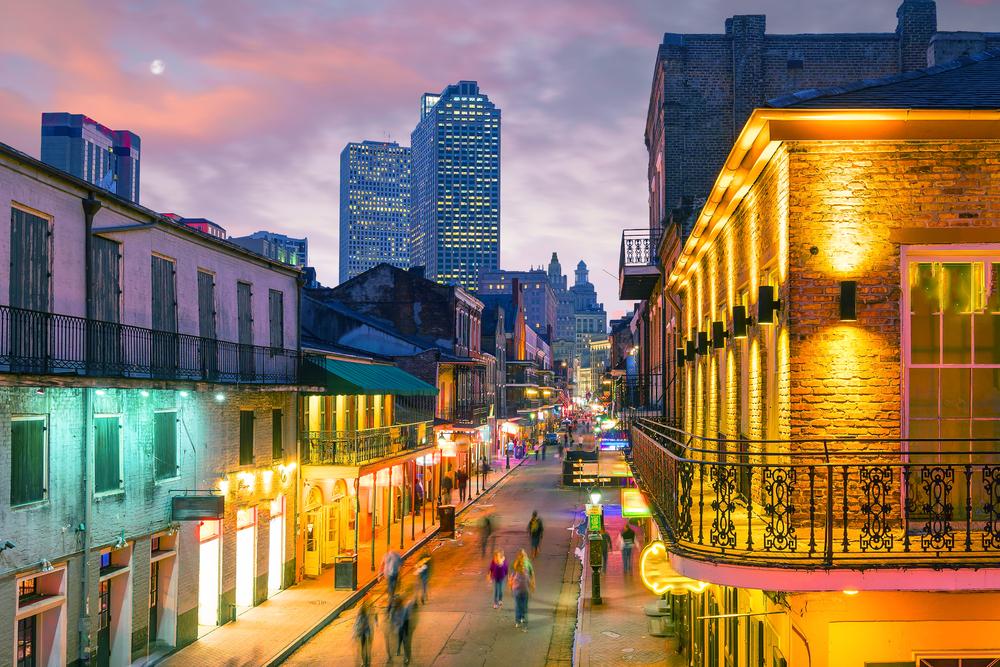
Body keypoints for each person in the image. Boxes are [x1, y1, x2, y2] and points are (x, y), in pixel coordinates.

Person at [509, 550, 535, 629]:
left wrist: (510, 587)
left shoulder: (516, 566)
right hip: (524, 591)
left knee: (518, 605)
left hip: (517, 591)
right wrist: (532, 586)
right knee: (524, 606)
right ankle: (522, 618)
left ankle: (518, 620)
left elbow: (511, 578)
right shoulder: (526, 570)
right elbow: (530, 578)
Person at [353, 599, 377, 667]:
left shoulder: (366, 615)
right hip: (363, 633)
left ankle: (366, 662)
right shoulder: (361, 615)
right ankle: (365, 662)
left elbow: (358, 625)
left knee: (365, 649)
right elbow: (357, 625)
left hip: (366, 633)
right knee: (364, 649)